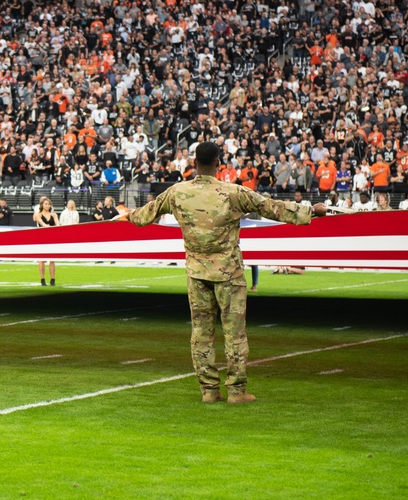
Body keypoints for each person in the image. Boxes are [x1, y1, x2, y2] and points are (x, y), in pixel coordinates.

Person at [124, 142, 326, 404]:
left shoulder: (177, 192)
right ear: (218, 163)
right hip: (228, 273)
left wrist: (125, 216)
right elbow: (272, 208)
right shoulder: (232, 192)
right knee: (234, 334)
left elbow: (142, 217)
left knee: (201, 334)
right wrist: (312, 212)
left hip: (196, 273)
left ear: (194, 163)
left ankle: (208, 390)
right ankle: (237, 391)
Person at [33, 196, 59, 285]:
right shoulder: (38, 214)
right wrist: (45, 225)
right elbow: (41, 222)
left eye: (49, 204)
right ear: (42, 205)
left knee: (52, 259)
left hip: (52, 238)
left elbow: (58, 224)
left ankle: (53, 279)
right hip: (42, 238)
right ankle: (42, 279)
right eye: (46, 204)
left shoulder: (54, 215)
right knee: (42, 259)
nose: (47, 206)